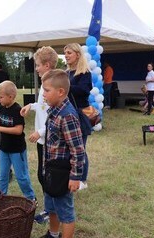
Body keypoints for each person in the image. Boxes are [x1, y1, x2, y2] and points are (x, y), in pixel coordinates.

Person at [41, 69, 85, 238]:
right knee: (51, 206)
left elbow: (77, 149)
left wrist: (75, 176)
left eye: (46, 90)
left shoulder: (67, 116)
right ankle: (53, 234)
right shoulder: (54, 110)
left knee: (65, 212)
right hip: (51, 169)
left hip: (63, 173)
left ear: (60, 92)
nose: (43, 94)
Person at [20, 46, 58, 223]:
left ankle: (51, 210)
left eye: (37, 65)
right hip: (43, 138)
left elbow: (54, 115)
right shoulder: (45, 85)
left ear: (47, 65)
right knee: (42, 175)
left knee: (47, 176)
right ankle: (49, 208)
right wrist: (31, 106)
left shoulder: (52, 85)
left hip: (48, 138)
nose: (35, 68)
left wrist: (40, 132)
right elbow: (43, 106)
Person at [0, 80, 36, 201]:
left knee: (21, 176)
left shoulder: (17, 110)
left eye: (1, 97)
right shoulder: (2, 108)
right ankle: (2, 198)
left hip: (17, 150)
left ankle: (31, 199)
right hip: (4, 149)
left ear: (11, 96)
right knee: (3, 176)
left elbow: (18, 130)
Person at [64, 43, 92, 190]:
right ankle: (73, 175)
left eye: (69, 52)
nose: (67, 55)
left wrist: (65, 86)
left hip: (81, 114)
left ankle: (82, 180)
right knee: (71, 147)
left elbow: (84, 90)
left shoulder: (85, 72)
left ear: (78, 54)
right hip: (69, 113)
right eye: (65, 53)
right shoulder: (66, 72)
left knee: (80, 148)